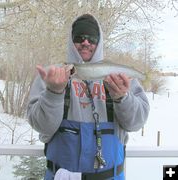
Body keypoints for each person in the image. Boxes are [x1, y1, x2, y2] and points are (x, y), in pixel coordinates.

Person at [27, 14, 150, 180]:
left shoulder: (118, 76)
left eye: (92, 38)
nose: (86, 42)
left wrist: (122, 98)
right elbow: (42, 126)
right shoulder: (53, 75)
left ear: (98, 43)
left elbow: (136, 123)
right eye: (79, 37)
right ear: (71, 41)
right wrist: (53, 93)